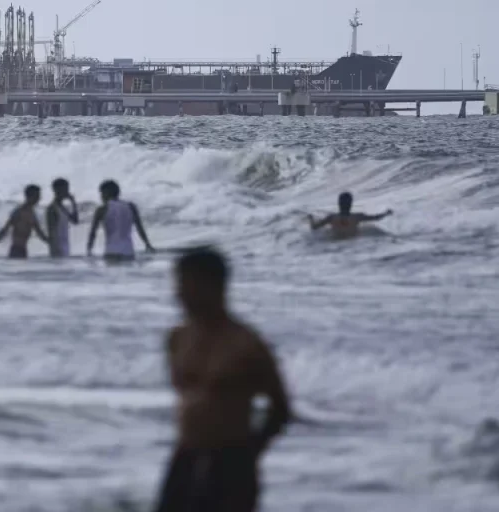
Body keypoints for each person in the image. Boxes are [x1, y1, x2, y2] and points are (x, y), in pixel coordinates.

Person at [156, 246, 291, 512]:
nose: (179, 294)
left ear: (213, 286)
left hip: (231, 463)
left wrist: (249, 453)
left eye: (187, 284)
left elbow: (280, 409)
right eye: (179, 284)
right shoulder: (177, 338)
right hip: (185, 457)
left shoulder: (245, 344)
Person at [87, 179, 155, 260]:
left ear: (106, 193)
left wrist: (89, 250)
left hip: (111, 252)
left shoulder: (102, 209)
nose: (101, 196)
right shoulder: (131, 206)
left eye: (101, 193)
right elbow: (140, 228)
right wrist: (147, 244)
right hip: (128, 251)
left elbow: (93, 233)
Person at [0, 184, 49, 259]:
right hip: (16, 249)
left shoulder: (31, 213)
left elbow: (39, 233)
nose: (39, 198)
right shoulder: (19, 212)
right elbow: (4, 230)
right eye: (37, 196)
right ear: (29, 196)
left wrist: (52, 244)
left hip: (23, 250)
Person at [307, 191, 392, 240]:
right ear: (350, 204)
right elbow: (376, 218)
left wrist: (310, 219)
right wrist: (386, 213)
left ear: (339, 203)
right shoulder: (357, 217)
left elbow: (314, 227)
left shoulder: (332, 218)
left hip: (335, 244)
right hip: (351, 244)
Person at [46, 178, 79, 258]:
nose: (67, 191)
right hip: (58, 248)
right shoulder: (52, 208)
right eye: (65, 189)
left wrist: (73, 203)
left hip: (65, 246)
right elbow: (51, 230)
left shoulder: (62, 207)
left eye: (67, 189)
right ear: (56, 190)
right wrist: (55, 247)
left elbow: (75, 221)